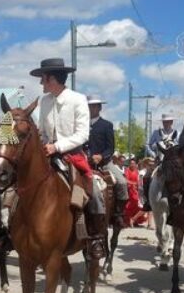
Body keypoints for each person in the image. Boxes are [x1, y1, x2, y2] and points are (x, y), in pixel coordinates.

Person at [32, 58, 107, 259]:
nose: (41, 83)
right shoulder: (45, 101)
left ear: (52, 79)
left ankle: (95, 237)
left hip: (72, 155)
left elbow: (83, 134)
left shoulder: (78, 99)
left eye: (43, 79)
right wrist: (41, 145)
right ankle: (10, 231)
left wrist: (56, 146)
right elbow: (42, 131)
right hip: (46, 154)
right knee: (17, 183)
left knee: (96, 194)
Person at [85, 95, 128, 227]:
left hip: (104, 163)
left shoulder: (106, 125)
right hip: (85, 162)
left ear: (99, 108)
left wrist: (101, 157)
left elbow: (110, 147)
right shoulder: (82, 125)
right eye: (89, 106)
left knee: (122, 182)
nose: (91, 108)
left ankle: (118, 214)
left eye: (94, 106)